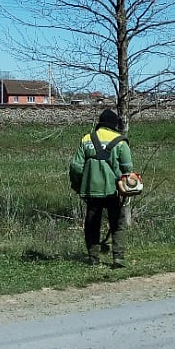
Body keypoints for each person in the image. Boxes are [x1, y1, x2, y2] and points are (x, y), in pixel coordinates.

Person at [69, 109, 134, 268]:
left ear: (100, 123)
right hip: (114, 191)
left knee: (92, 224)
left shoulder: (86, 139)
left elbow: (75, 167)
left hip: (91, 190)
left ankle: (93, 258)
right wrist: (127, 189)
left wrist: (78, 185)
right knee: (117, 224)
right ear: (114, 125)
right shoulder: (120, 141)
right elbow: (128, 169)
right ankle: (118, 258)